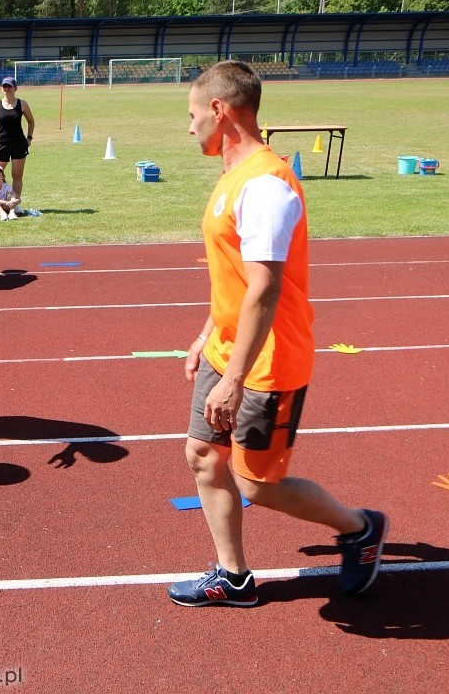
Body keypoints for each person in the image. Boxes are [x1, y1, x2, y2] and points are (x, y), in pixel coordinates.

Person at [168, 60, 387, 608]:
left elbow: (265, 290)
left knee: (257, 484)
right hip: (227, 348)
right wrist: (206, 334)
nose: (189, 127)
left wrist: (234, 379)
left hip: (266, 362)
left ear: (219, 110)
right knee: (203, 455)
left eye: (192, 115)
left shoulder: (265, 185)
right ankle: (234, 577)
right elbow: (236, 278)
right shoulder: (233, 175)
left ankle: (360, 527)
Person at [0, 76, 35, 215]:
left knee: (17, 177)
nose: (7, 88)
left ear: (15, 88)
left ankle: (14, 206)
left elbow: (31, 121)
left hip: (18, 144)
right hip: (1, 144)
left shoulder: (22, 104)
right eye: (4, 86)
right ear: (2, 88)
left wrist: (29, 138)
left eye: (9, 86)